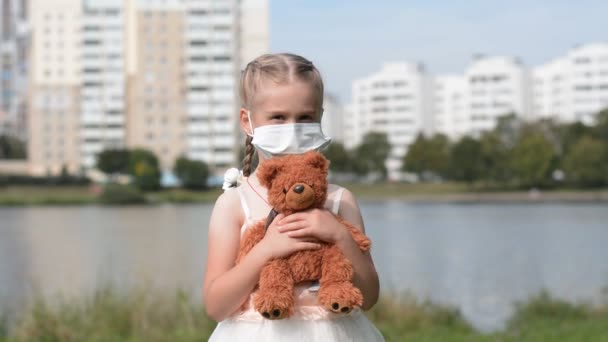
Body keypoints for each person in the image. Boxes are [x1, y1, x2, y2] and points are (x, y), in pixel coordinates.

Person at [204, 53, 384, 341]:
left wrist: (340, 236)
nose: (292, 128)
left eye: (305, 117)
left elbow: (370, 295)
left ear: (320, 118)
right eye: (278, 117)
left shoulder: (340, 200)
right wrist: (265, 250)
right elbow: (216, 306)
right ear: (247, 121)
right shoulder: (233, 204)